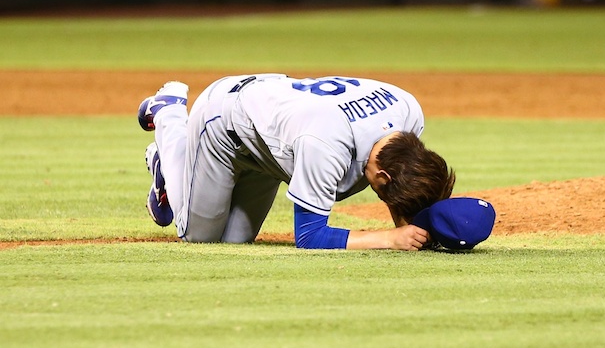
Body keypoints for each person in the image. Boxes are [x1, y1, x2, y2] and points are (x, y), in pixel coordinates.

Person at [137, 73, 456, 251]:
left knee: (234, 244)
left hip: (270, 140)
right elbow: (310, 236)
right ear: (383, 175)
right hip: (223, 123)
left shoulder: (409, 113)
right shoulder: (326, 146)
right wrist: (390, 238)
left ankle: (175, 176)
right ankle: (170, 115)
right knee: (199, 238)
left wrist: (413, 226)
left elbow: (400, 181)